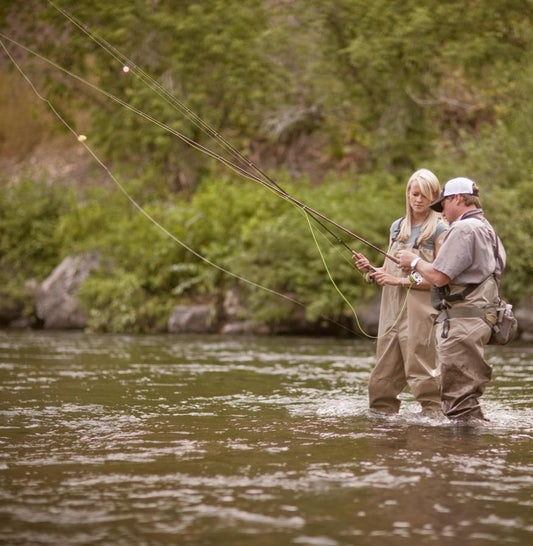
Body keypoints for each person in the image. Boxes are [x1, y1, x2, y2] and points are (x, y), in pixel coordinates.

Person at [398, 177, 505, 422]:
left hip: (462, 322)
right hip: (482, 318)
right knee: (466, 396)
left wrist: (414, 262)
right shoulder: (487, 228)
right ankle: (467, 450)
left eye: (443, 205)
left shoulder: (464, 228)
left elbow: (439, 276)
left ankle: (461, 454)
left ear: (457, 198)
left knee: (458, 399)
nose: (442, 213)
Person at [353, 169, 448, 417]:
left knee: (421, 369)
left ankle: (435, 419)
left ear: (435, 197)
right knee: (382, 374)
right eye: (414, 194)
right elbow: (387, 270)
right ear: (407, 193)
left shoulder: (440, 230)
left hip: (421, 311)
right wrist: (371, 270)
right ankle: (383, 422)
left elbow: (438, 279)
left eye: (425, 196)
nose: (418, 200)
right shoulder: (397, 227)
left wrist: (397, 280)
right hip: (391, 311)